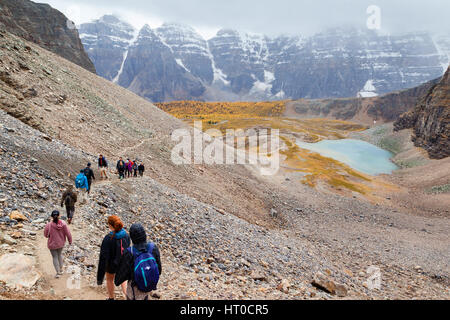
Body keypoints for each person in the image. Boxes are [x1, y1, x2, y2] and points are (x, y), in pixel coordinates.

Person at [115, 223, 162, 300]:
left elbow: (119, 278)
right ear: (144, 235)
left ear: (132, 238)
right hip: (148, 287)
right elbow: (159, 270)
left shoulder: (129, 252)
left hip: (134, 291)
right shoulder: (153, 248)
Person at [97, 215, 130, 300]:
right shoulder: (126, 235)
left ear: (110, 225)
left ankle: (111, 298)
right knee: (123, 280)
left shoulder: (108, 238)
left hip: (111, 264)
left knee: (109, 279)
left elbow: (103, 257)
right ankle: (128, 297)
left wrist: (100, 277)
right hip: (123, 262)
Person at [44, 210, 72, 278]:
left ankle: (58, 272)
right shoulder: (63, 224)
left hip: (52, 244)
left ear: (51, 217)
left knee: (55, 257)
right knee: (59, 255)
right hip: (61, 243)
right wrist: (70, 241)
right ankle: (61, 269)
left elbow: (45, 235)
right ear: (59, 216)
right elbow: (68, 233)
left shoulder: (49, 225)